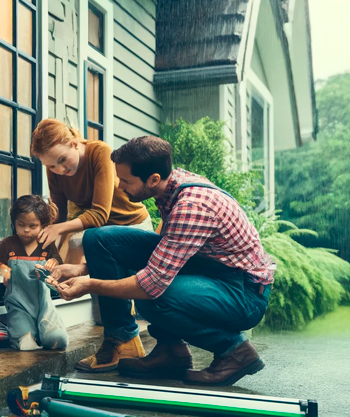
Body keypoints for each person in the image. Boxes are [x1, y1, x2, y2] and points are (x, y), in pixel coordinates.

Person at [50, 136, 275, 386]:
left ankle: (235, 351)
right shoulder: (173, 184)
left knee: (154, 298)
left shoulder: (191, 206)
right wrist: (82, 268)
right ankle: (163, 350)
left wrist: (89, 284)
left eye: (125, 181)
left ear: (153, 179)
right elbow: (167, 252)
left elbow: (150, 285)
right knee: (98, 239)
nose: (120, 187)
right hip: (212, 271)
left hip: (243, 293)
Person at [30, 118, 152, 328]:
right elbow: (59, 216)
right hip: (98, 237)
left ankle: (154, 341)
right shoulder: (55, 171)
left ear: (74, 143)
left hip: (131, 226)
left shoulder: (99, 152)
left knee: (145, 301)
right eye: (51, 166)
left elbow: (99, 214)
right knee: (103, 318)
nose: (59, 169)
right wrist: (50, 254)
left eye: (62, 159)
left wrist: (58, 229)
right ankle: (117, 341)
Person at [0, 195, 68, 350]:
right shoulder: (8, 244)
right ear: (14, 223)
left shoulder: (47, 244)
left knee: (58, 341)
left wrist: (54, 264)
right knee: (25, 344)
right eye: (21, 224)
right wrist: (2, 268)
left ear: (43, 226)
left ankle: (40, 331)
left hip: (44, 304)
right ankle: (17, 330)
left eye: (33, 226)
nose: (26, 230)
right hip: (18, 304)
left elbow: (59, 265)